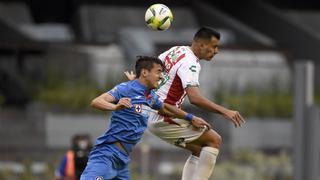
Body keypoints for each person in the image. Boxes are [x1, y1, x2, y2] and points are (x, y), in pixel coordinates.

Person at [125, 27, 245, 180]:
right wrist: (225, 111)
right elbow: (195, 98)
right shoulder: (190, 63)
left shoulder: (175, 50)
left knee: (199, 150)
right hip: (164, 115)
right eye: (214, 46)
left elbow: (152, 71)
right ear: (201, 45)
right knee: (214, 140)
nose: (216, 51)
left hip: (151, 113)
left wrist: (136, 83)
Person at [80, 56, 210, 180]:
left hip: (123, 160)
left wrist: (190, 118)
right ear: (144, 73)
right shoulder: (125, 88)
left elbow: (165, 109)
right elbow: (96, 102)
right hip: (106, 155)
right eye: (158, 72)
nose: (161, 76)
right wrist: (115, 107)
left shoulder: (150, 96)